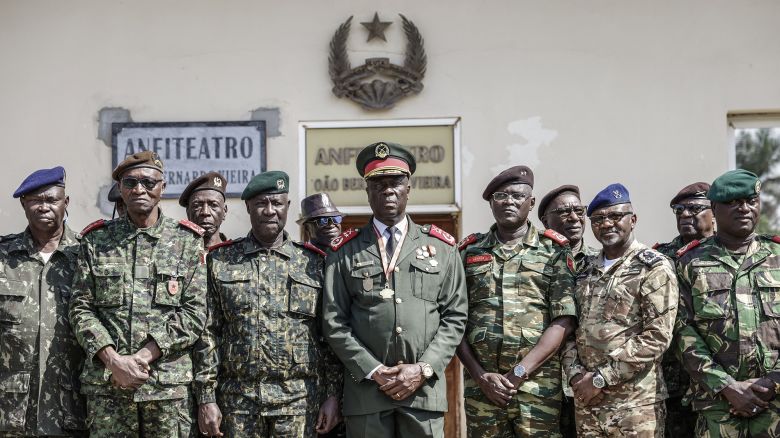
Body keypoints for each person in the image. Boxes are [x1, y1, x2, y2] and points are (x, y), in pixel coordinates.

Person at [323, 141, 467, 438]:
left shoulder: (442, 248)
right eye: (379, 184)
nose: (388, 190)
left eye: (395, 183)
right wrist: (373, 369)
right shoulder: (344, 252)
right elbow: (334, 321)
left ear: (408, 188)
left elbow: (455, 316)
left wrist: (423, 368)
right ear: (368, 192)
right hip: (367, 394)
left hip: (423, 393)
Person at [69, 151, 207, 437]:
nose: (139, 189)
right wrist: (115, 362)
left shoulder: (187, 242)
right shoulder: (96, 241)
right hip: (108, 387)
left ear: (162, 188)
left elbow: (194, 312)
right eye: (130, 182)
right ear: (120, 189)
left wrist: (144, 355)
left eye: (148, 182)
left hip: (166, 390)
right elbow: (81, 308)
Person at [196, 171, 342, 437]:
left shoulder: (313, 264)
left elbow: (329, 337)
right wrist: (207, 397)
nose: (269, 211)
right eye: (261, 203)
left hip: (299, 402)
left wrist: (333, 396)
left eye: (276, 203)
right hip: (237, 401)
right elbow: (208, 334)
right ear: (249, 208)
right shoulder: (221, 261)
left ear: (286, 207)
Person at [456, 166, 577, 438]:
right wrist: (480, 376)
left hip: (537, 388)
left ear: (531, 203)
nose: (509, 201)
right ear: (491, 203)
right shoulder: (469, 251)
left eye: (517, 196)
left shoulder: (554, 250)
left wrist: (518, 374)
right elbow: (454, 320)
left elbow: (564, 320)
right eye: (501, 195)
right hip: (482, 390)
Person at [562, 183, 678, 438]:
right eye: (598, 218)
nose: (606, 224)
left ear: (633, 219)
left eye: (615, 216)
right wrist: (575, 376)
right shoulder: (585, 271)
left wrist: (601, 378)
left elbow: (657, 336)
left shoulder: (654, 267)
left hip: (635, 405)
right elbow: (570, 330)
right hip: (588, 404)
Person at [675, 169, 780, 437]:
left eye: (750, 200)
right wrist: (727, 387)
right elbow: (681, 331)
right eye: (733, 202)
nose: (744, 208)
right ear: (714, 208)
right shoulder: (690, 263)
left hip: (776, 405)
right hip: (717, 406)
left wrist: (773, 382)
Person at [0, 167, 87, 436]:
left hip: (72, 409)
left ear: (66, 203)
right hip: (11, 409)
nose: (44, 206)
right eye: (36, 200)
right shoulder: (4, 256)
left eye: (51, 200)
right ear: (24, 204)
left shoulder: (86, 256)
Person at [653, 182, 714, 438]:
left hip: (716, 378)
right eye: (679, 210)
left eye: (694, 208)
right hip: (672, 379)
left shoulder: (727, 253)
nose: (685, 214)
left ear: (715, 211)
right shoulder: (659, 257)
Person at [537, 184, 596, 438]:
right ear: (544, 220)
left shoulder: (600, 262)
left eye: (579, 210)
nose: (574, 218)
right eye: (563, 212)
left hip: (590, 381)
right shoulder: (535, 262)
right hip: (541, 383)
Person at [179, 172, 229, 248]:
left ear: (224, 211)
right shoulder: (175, 254)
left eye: (213, 205)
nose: (205, 212)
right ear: (188, 211)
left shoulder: (238, 255)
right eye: (197, 205)